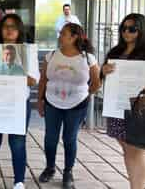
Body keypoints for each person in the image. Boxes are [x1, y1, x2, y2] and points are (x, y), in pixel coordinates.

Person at [38, 23, 101, 189]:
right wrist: (40, 100)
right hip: (52, 102)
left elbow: (96, 83)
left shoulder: (88, 58)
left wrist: (86, 96)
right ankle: (50, 168)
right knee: (50, 138)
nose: (59, 36)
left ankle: (68, 171)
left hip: (77, 105)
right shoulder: (51, 55)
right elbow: (43, 80)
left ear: (74, 37)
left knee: (69, 138)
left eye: (63, 33)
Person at [0, 14, 39, 189]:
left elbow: (33, 79)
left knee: (18, 144)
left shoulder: (27, 51)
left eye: (13, 26)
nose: (9, 30)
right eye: (5, 26)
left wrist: (17, 74)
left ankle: (19, 182)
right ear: (0, 29)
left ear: (19, 30)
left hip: (18, 104)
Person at [101, 13, 145, 189]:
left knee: (136, 150)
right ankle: (135, 184)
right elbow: (103, 78)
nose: (126, 32)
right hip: (117, 107)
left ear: (141, 31)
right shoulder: (115, 52)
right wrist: (104, 71)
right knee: (127, 150)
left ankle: (137, 186)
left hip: (137, 110)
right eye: (123, 28)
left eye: (132, 29)